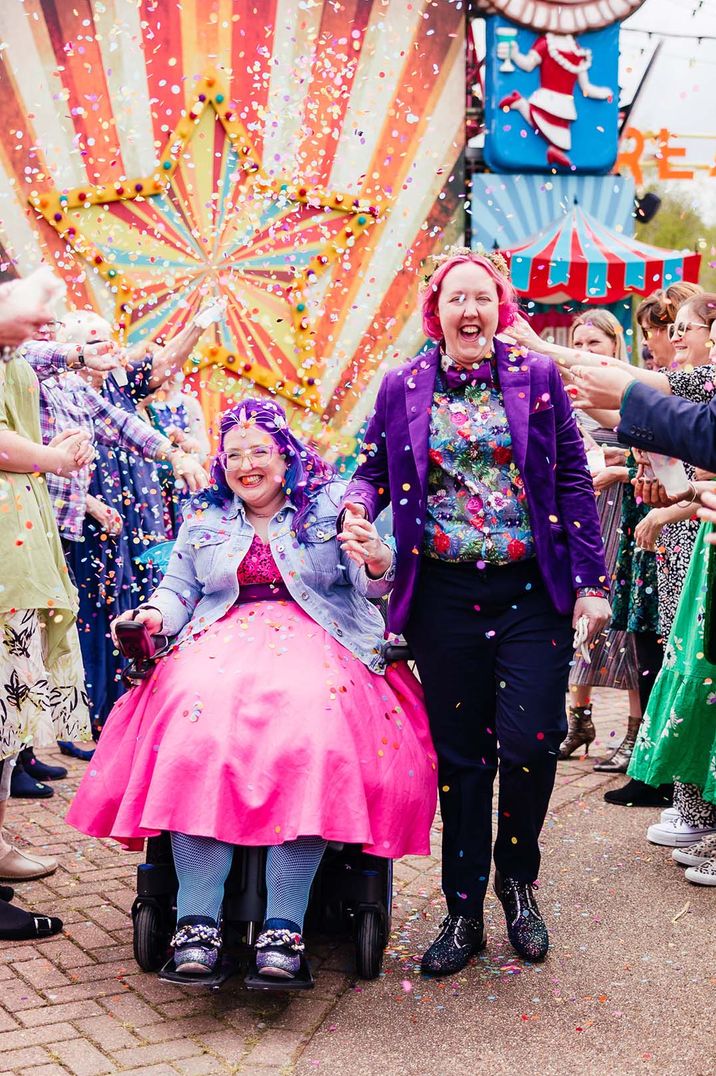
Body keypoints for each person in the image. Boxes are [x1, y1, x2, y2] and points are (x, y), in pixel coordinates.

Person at [66, 397, 437, 981]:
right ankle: (196, 921)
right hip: (219, 641)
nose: (247, 465)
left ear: (286, 457)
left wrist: (375, 560)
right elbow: (177, 591)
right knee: (193, 727)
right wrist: (151, 616)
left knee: (313, 729)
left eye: (260, 451)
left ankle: (285, 926)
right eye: (234, 454)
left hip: (322, 636)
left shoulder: (331, 510)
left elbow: (372, 588)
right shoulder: (204, 522)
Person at [340, 248, 610, 974]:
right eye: (457, 299)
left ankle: (517, 883)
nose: (470, 312)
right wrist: (358, 511)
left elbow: (574, 481)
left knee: (530, 743)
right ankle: (462, 913)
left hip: (532, 592)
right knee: (463, 760)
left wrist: (592, 581)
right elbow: (368, 470)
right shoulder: (403, 385)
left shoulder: (539, 376)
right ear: (436, 311)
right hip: (444, 598)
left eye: (482, 299)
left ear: (500, 309)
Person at [571, 295, 716, 842]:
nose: (674, 339)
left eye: (683, 329)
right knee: (682, 661)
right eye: (668, 330)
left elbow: (692, 434)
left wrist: (677, 500)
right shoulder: (686, 378)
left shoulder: (692, 381)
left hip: (684, 530)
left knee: (693, 667)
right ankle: (692, 806)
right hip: (682, 524)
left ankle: (695, 806)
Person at [0, 270, 90, 936]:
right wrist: (53, 461)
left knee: (7, 722)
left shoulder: (16, 359)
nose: (43, 318)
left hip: (19, 562)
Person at [556, 311, 641, 767]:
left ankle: (634, 729)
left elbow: (648, 438)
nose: (586, 353)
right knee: (580, 609)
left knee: (623, 613)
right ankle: (580, 718)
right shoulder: (564, 393)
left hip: (624, 507)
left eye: (595, 344)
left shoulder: (626, 389)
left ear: (614, 346)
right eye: (578, 344)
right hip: (581, 512)